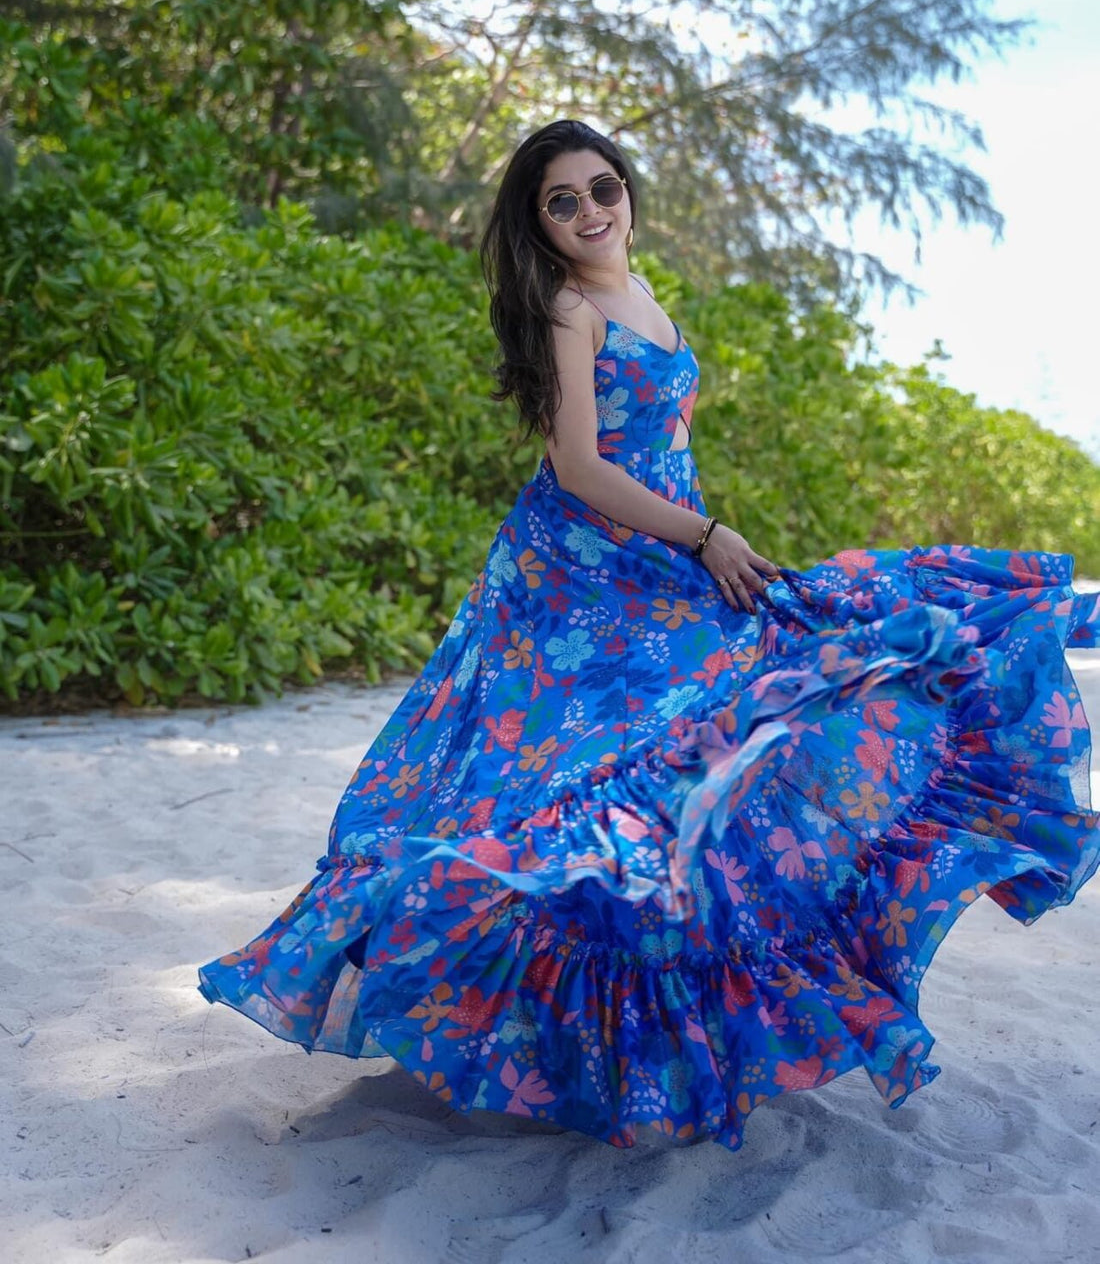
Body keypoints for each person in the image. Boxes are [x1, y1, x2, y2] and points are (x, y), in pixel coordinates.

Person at [197, 118, 1100, 1152]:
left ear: (627, 191)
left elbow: (662, 442)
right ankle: (535, 1012)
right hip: (577, 571)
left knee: (742, 727)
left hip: (661, 555)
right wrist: (706, 534)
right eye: (561, 200)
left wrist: (700, 542)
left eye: (601, 187)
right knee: (577, 783)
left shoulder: (642, 291)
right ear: (536, 223)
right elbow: (577, 464)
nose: (590, 211)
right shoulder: (567, 308)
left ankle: (668, 1010)